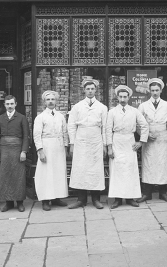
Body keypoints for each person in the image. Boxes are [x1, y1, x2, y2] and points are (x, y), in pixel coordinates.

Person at [67, 78, 108, 209]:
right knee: (81, 169)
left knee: (95, 170)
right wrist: (72, 143)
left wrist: (105, 145)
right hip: (81, 140)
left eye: (92, 89)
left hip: (96, 140)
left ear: (96, 90)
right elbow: (71, 126)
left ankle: (96, 199)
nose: (90, 91)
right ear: (84, 90)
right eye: (88, 89)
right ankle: (81, 199)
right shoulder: (77, 107)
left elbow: (105, 128)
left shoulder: (102, 107)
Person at [107, 85, 149, 208]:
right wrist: (109, 147)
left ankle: (130, 197)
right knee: (117, 170)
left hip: (130, 141)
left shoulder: (134, 111)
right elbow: (108, 129)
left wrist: (141, 142)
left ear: (129, 97)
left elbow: (145, 125)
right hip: (117, 141)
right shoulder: (112, 112)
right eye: (120, 97)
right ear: (117, 97)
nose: (123, 99)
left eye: (125, 97)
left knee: (130, 170)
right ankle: (117, 199)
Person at [137, 78, 167, 203]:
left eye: (157, 90)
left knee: (163, 164)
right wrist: (144, 135)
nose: (155, 93)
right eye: (152, 90)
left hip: (162, 137)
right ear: (149, 91)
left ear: (161, 90)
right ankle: (147, 193)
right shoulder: (143, 106)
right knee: (148, 164)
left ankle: (163, 193)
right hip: (149, 138)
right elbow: (137, 122)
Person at [33, 90, 69, 211]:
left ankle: (56, 198)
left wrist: (65, 146)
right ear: (44, 102)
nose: (50, 102)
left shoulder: (61, 116)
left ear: (56, 101)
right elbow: (36, 135)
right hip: (46, 146)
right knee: (46, 173)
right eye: (48, 100)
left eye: (52, 99)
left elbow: (64, 132)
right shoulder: (40, 117)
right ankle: (45, 200)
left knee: (58, 172)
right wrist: (40, 151)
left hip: (58, 147)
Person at [0, 95, 29, 212]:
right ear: (4, 105)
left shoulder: (22, 118)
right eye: (7, 104)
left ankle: (19, 202)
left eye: (11, 104)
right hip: (4, 150)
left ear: (15, 104)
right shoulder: (0, 118)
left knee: (18, 176)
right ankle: (8, 203)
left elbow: (25, 136)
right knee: (5, 175)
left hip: (17, 150)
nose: (9, 106)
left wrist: (23, 151)